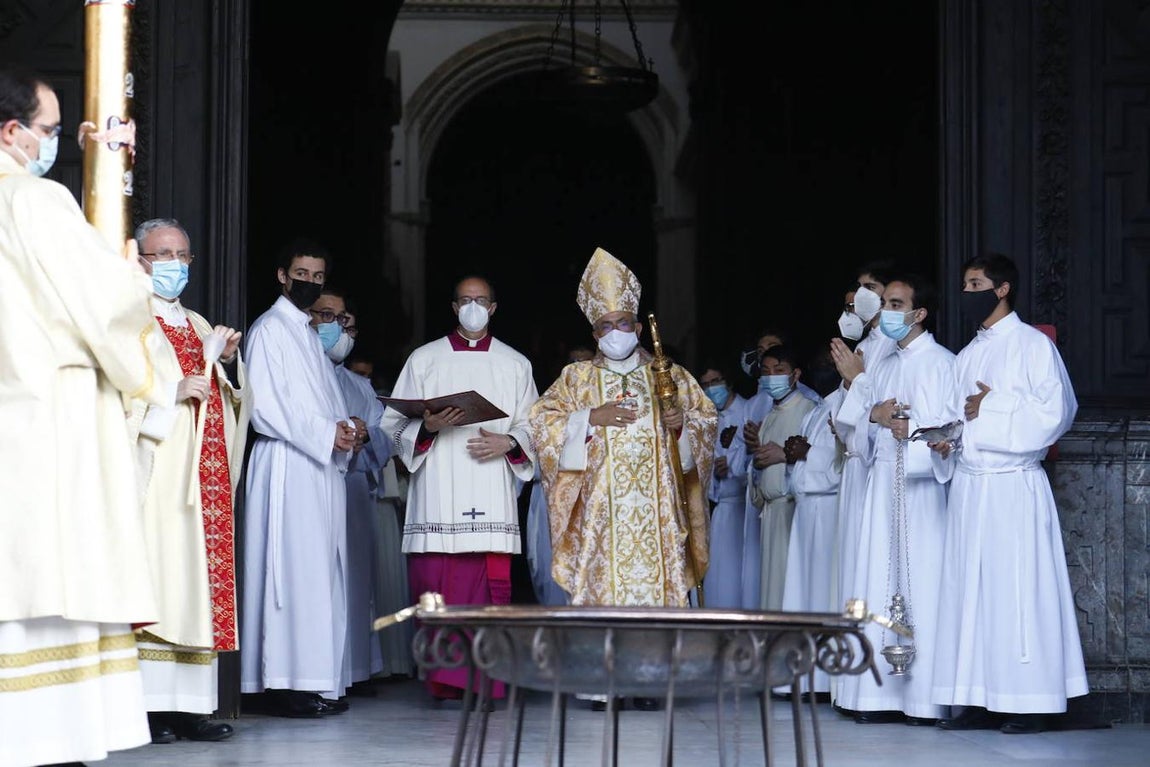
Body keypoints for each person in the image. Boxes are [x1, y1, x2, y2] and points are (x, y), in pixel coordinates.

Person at [0, 67, 162, 767]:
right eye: (50, 130)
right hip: (47, 422)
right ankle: (46, 740)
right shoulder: (34, 200)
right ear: (11, 132)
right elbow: (106, 308)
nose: (56, 145)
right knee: (48, 577)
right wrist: (131, 274)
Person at [528, 247, 717, 711]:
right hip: (601, 516)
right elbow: (541, 426)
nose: (616, 333)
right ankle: (601, 684)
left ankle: (654, 682)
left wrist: (682, 428)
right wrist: (590, 416)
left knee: (657, 593)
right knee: (604, 592)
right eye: (606, 326)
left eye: (624, 323)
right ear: (593, 332)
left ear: (638, 325)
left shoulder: (667, 376)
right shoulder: (575, 379)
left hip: (657, 513)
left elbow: (705, 423)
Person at [930, 254, 1087, 734]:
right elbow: (959, 418)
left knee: (1016, 591)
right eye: (964, 284)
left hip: (1012, 485)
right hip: (971, 488)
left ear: (1002, 289)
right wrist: (947, 439)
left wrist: (990, 405)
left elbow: (1057, 412)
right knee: (971, 592)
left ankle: (1029, 700)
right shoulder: (968, 354)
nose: (966, 293)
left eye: (975, 283)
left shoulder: (1032, 345)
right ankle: (977, 695)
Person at [379, 274, 538, 704]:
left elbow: (535, 426)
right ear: (453, 307)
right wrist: (426, 428)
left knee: (486, 593)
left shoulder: (515, 364)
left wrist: (511, 442)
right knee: (436, 586)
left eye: (480, 300)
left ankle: (489, 680)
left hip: (490, 490)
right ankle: (445, 682)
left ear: (493, 307)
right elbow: (391, 429)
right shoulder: (424, 359)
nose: (472, 306)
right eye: (465, 299)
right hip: (437, 492)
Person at [130, 218, 247, 744]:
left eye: (182, 254)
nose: (174, 264)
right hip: (158, 475)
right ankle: (148, 708)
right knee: (162, 580)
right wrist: (168, 394)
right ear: (139, 258)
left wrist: (228, 364)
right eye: (162, 254)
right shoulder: (129, 321)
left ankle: (193, 707)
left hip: (205, 480)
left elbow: (232, 397)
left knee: (198, 586)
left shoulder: (199, 324)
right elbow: (117, 392)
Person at [834, 272, 957, 725]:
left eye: (896, 303)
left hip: (920, 492)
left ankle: (923, 698)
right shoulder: (882, 364)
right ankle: (874, 696)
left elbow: (949, 432)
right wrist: (868, 405)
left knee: (920, 582)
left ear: (919, 313)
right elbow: (857, 437)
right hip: (882, 484)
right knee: (877, 582)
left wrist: (913, 430)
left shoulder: (942, 363)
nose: (885, 310)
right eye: (884, 301)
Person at [241, 238, 356, 718]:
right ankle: (283, 683)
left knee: (319, 574)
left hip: (319, 467)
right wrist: (328, 433)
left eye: (318, 276)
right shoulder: (270, 330)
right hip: (288, 463)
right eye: (302, 274)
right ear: (282, 276)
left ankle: (315, 680)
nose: (310, 283)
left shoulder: (309, 335)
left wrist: (348, 429)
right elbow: (267, 406)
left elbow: (326, 403)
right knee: (290, 573)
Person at [309, 288, 387, 695]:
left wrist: (364, 435)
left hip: (354, 486)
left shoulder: (359, 384)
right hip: (311, 479)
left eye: (347, 326)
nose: (340, 332)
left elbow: (388, 434)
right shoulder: (303, 369)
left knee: (356, 581)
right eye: (331, 321)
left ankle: (356, 669)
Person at [827, 263, 897, 672]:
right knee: (853, 564)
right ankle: (850, 669)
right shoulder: (866, 343)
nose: (861, 295)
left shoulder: (889, 346)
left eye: (871, 287)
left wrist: (856, 382)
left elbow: (884, 409)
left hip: (878, 467)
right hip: (856, 466)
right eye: (859, 287)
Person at [779, 351, 844, 697]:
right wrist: (795, 453)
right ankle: (805, 675)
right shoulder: (817, 409)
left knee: (822, 590)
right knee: (804, 591)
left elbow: (842, 461)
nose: (825, 370)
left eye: (831, 364)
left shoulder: (843, 406)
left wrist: (807, 453)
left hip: (828, 507)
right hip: (806, 506)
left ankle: (824, 678)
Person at [750, 346, 818, 610]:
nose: (771, 377)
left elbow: (817, 458)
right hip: (770, 512)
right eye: (766, 372)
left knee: (787, 588)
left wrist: (785, 457)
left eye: (779, 371)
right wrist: (755, 464)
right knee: (770, 589)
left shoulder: (809, 410)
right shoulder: (768, 417)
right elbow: (759, 464)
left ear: (795, 375)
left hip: (792, 510)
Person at [698, 363, 750, 608]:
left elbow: (752, 453)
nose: (711, 389)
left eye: (715, 382)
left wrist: (729, 462)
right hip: (721, 505)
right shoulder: (708, 418)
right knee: (719, 574)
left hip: (744, 504)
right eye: (706, 384)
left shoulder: (747, 409)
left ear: (728, 382)